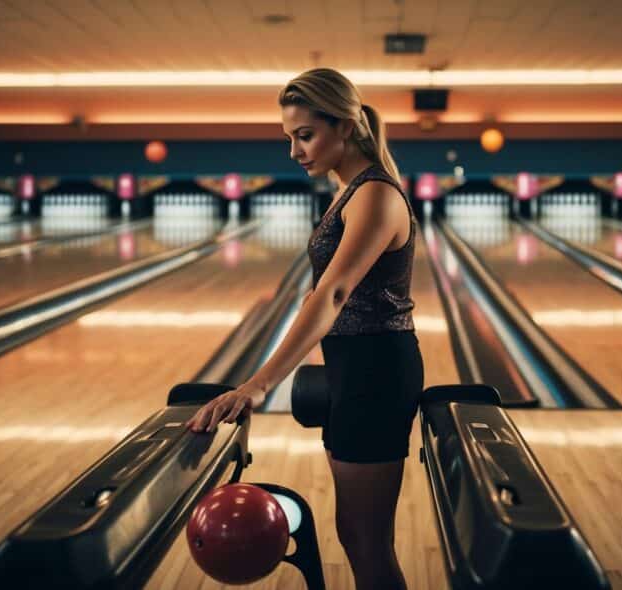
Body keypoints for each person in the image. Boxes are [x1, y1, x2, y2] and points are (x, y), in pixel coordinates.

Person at [186, 68, 423, 590]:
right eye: (289, 137)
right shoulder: (348, 193)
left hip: (377, 374)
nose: (294, 151)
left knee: (367, 541)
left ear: (345, 127)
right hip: (351, 371)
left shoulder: (376, 196)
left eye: (305, 135)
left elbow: (334, 296)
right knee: (355, 534)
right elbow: (319, 296)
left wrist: (257, 384)